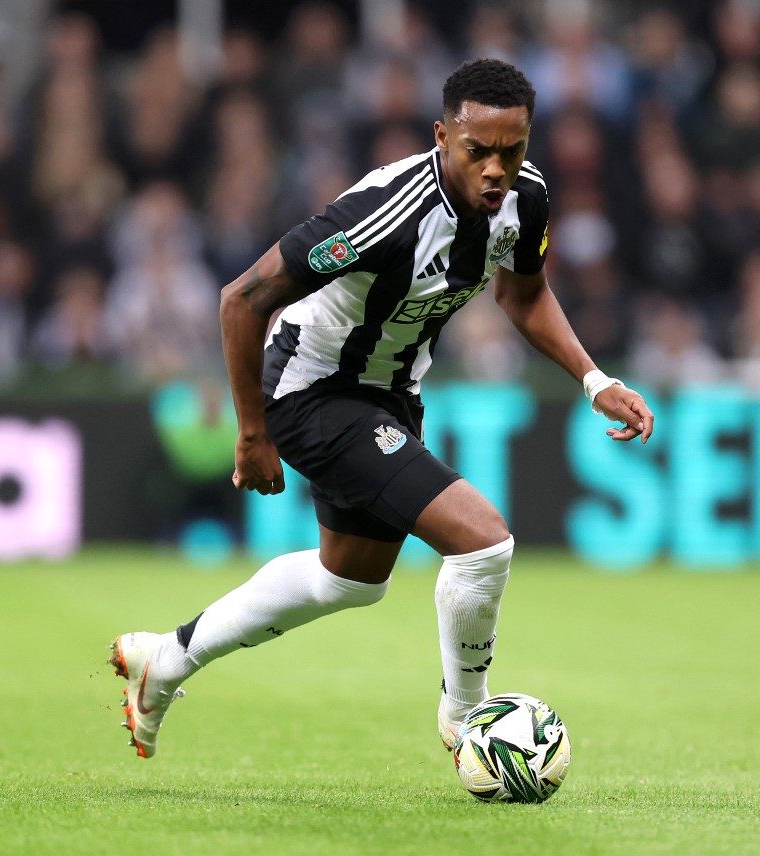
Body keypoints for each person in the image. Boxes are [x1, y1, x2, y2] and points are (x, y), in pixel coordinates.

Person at [108, 59, 655, 759]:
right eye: (476, 150)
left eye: (511, 151)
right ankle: (468, 721)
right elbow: (241, 299)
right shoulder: (384, 213)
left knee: (350, 579)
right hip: (311, 390)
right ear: (440, 137)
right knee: (484, 541)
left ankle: (167, 659)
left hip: (390, 393)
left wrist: (592, 378)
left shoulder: (528, 199)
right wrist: (251, 434)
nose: (496, 169)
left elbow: (522, 295)